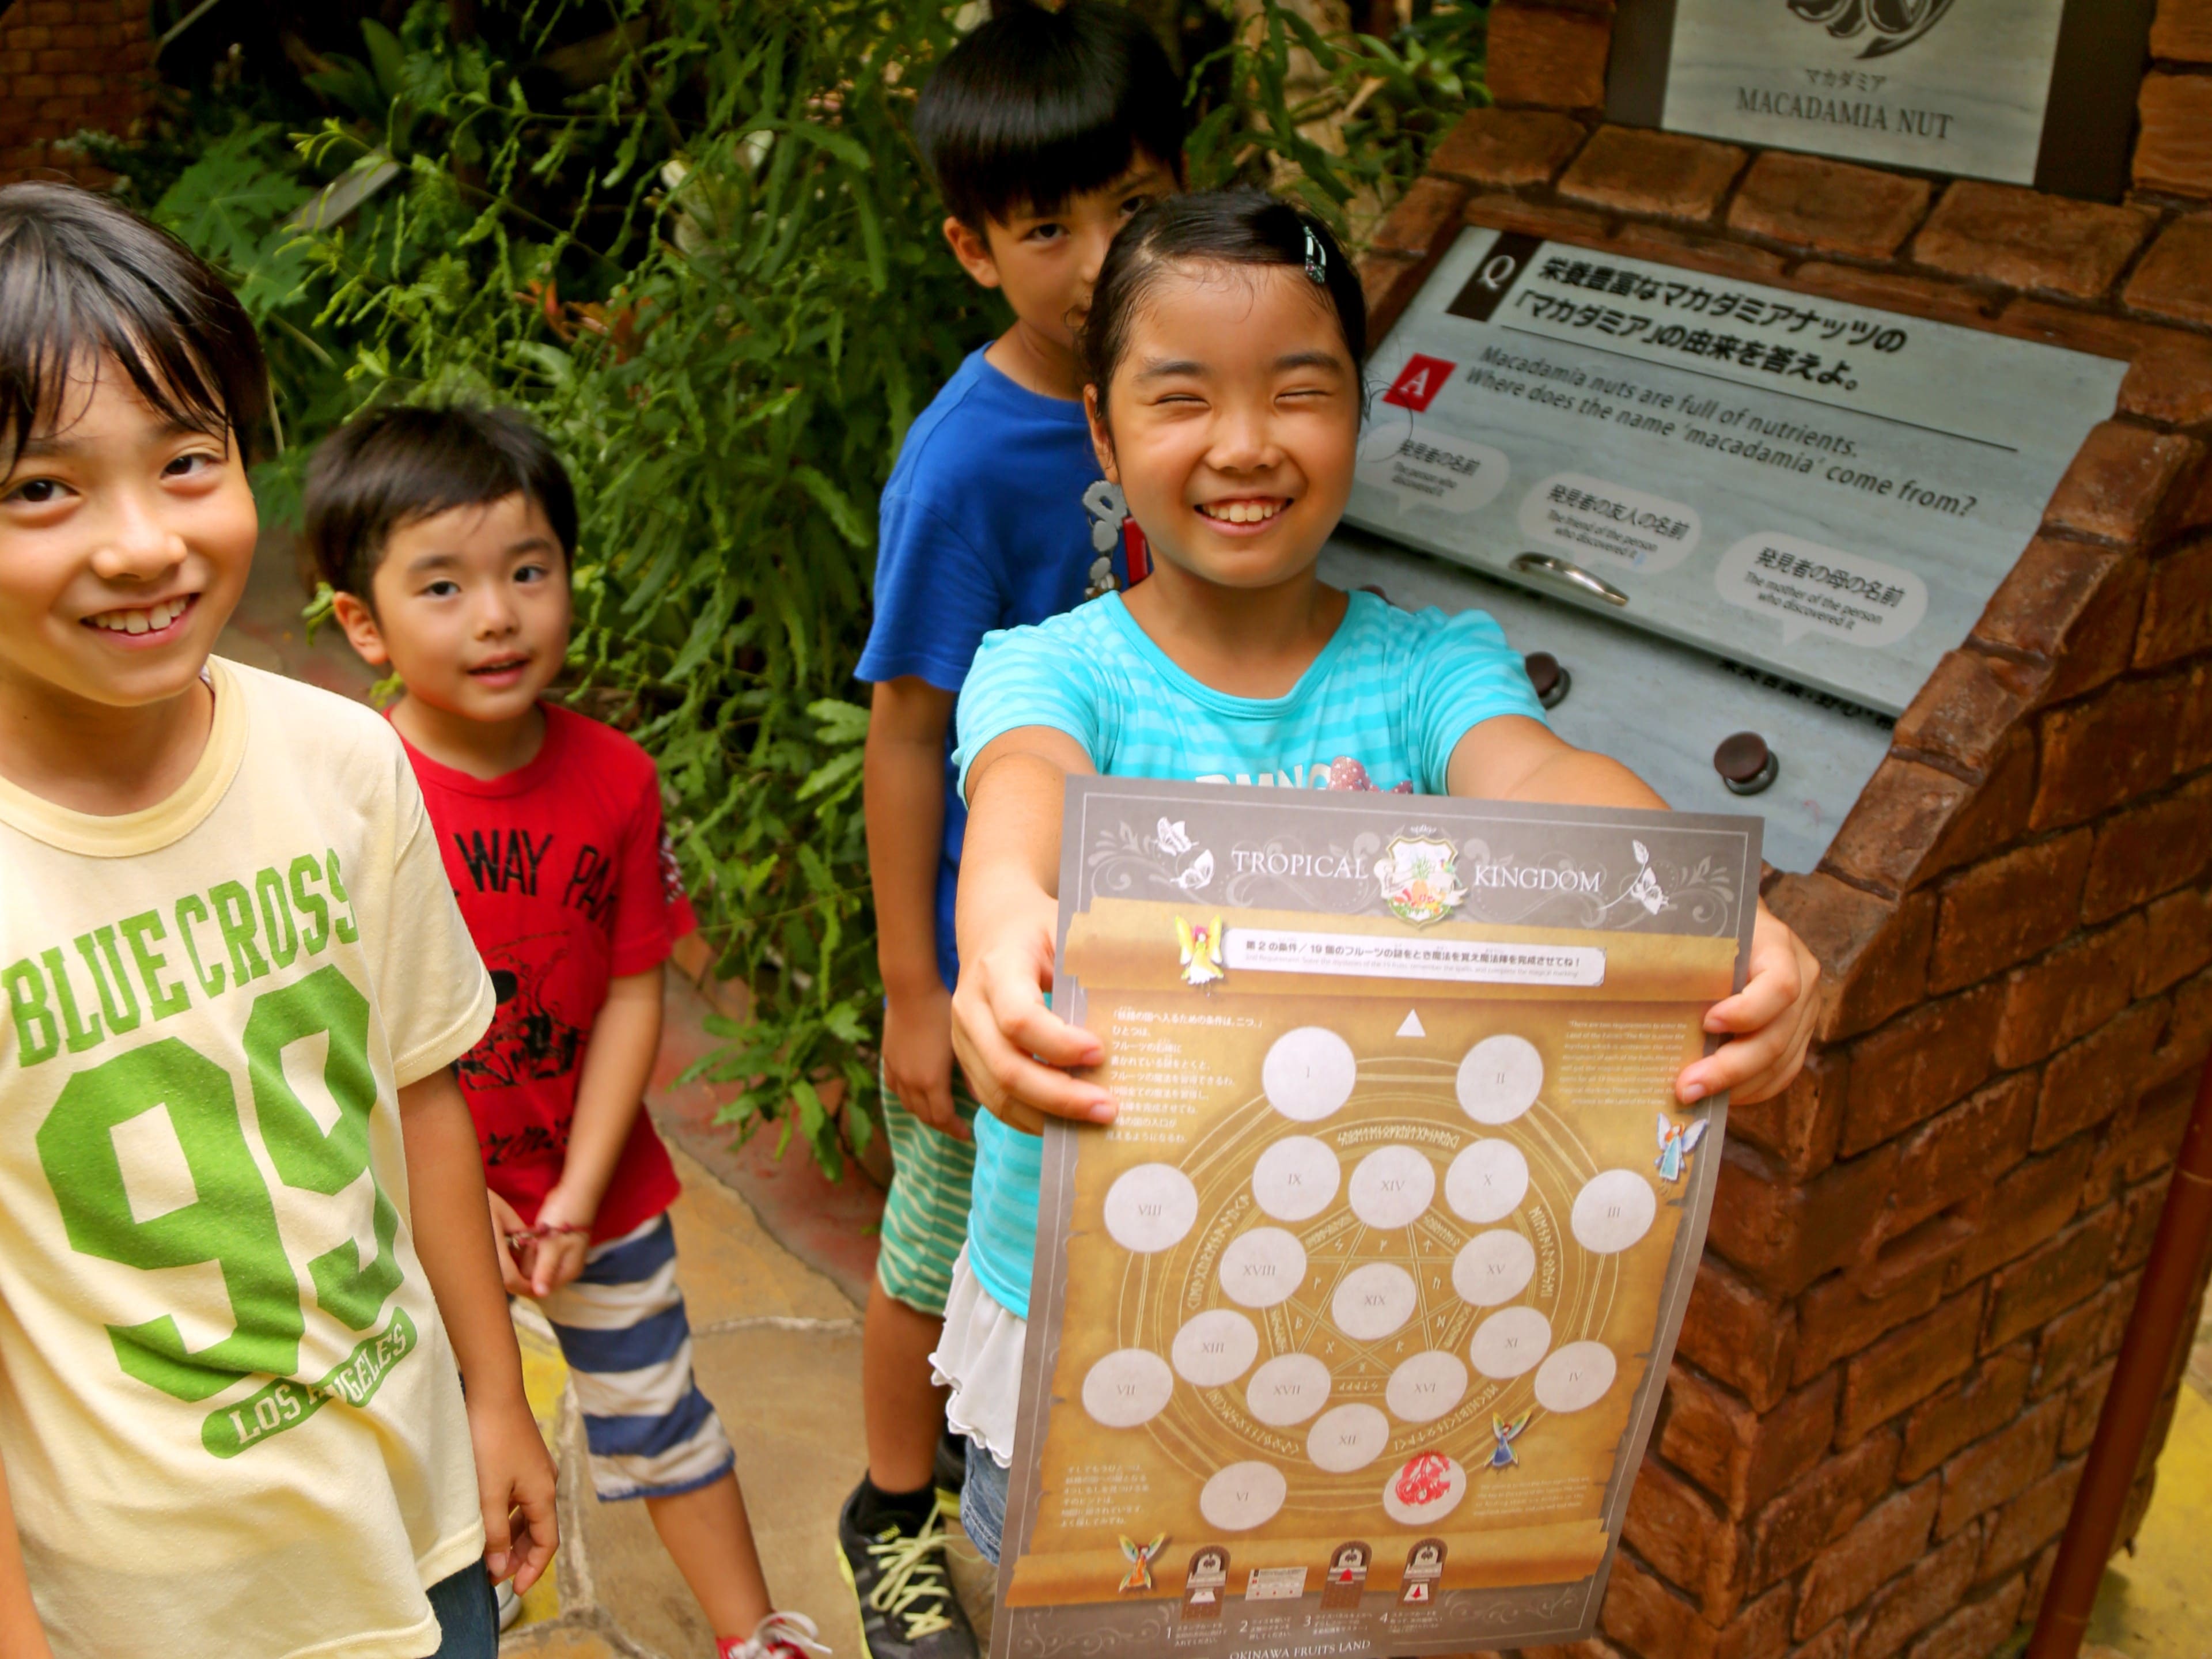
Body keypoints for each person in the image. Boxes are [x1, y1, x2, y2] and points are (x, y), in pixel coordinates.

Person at [937, 191, 1824, 1562]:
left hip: (1356, 1335)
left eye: (1301, 392)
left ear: (1360, 413)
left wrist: (1713, 912)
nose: (1245, 444)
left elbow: (1538, 776)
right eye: (1182, 400)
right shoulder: (1057, 673)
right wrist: (998, 930)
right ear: (1106, 435)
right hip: (1089, 1339)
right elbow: (1021, 810)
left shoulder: (1429, 672)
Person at [0, 181, 556, 1658]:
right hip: (146, 1602)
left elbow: (426, 1101)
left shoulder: (344, 759)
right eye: (43, 489)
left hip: (413, 1511)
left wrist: (496, 1399)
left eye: (190, 461)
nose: (140, 544)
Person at [313, 405, 824, 1659]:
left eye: (528, 571)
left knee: (662, 1414)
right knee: (427, 1444)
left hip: (591, 1190)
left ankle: (754, 1634)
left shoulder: (617, 778)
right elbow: (341, 1031)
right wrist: (456, 1194)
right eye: (444, 585)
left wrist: (583, 1194)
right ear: (363, 623)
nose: (498, 615)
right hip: (410, 1208)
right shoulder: (348, 793)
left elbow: (636, 989)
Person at [844, 4, 1184, 1652]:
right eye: (1053, 227)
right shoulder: (966, 463)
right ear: (976, 251)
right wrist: (916, 988)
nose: (1101, 256)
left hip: (1161, 940)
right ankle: (894, 1511)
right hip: (1001, 944)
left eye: (1130, 204)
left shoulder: (1205, 397)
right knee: (932, 1229)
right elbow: (908, 733)